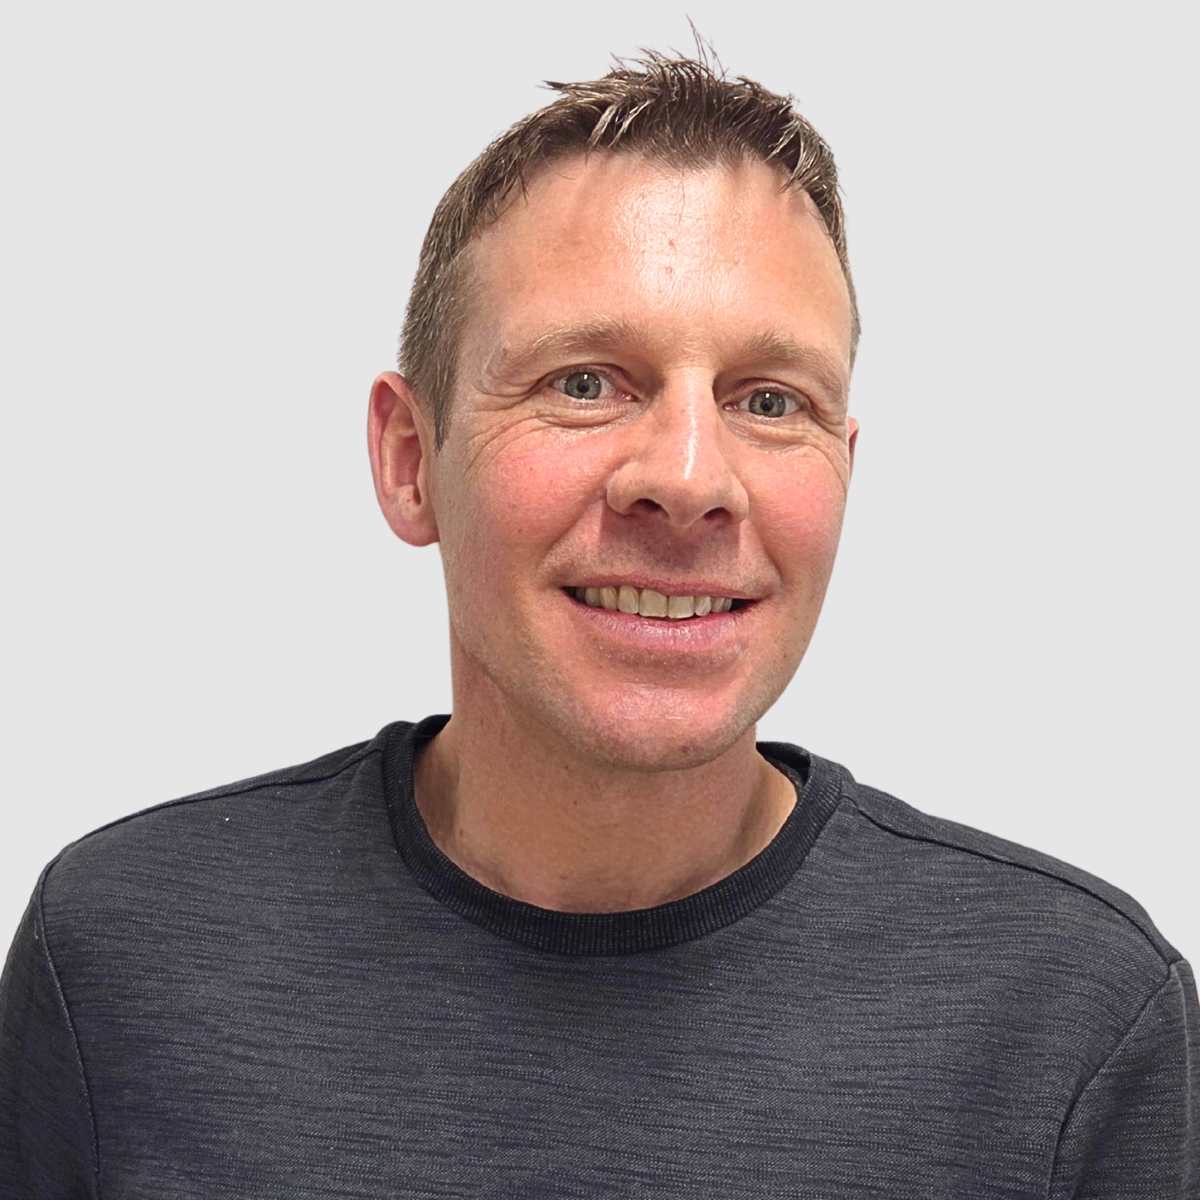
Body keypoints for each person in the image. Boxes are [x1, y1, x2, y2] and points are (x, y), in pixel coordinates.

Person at [2, 38, 1196, 1199]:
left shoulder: (1073, 1024)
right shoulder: (121, 959)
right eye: (584, 383)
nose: (688, 477)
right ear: (412, 460)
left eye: (769, 401)